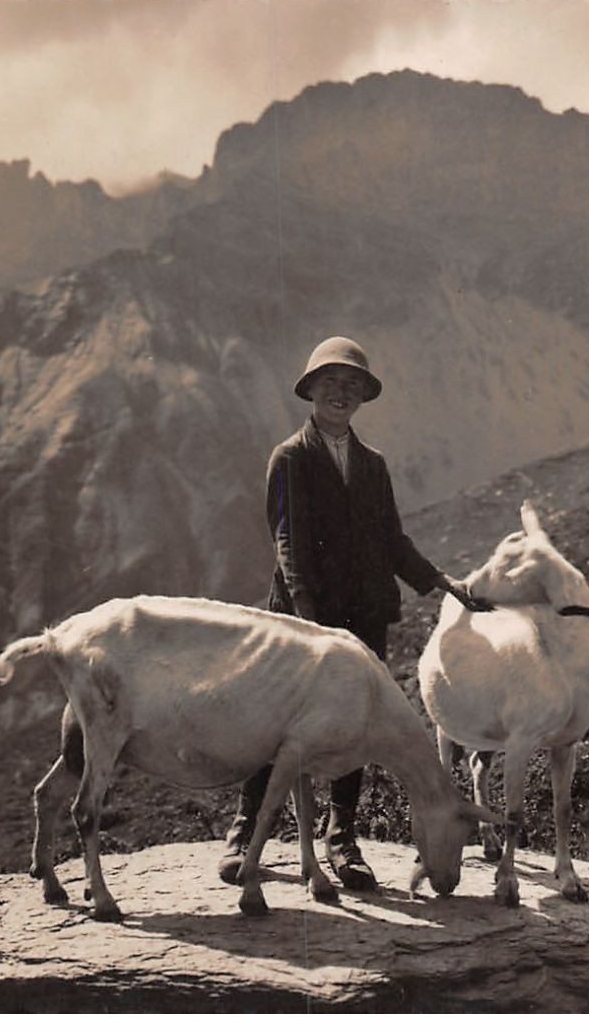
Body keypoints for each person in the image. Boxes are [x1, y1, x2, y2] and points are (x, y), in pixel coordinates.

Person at [218, 335, 491, 891]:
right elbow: (288, 539)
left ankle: (342, 838)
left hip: (363, 616)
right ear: (311, 391)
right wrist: (305, 613)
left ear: (363, 397)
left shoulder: (373, 464)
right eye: (330, 383)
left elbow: (391, 539)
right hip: (303, 617)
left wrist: (439, 581)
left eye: (352, 385)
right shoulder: (290, 457)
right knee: (276, 720)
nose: (340, 393)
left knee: (355, 728)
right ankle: (247, 830)